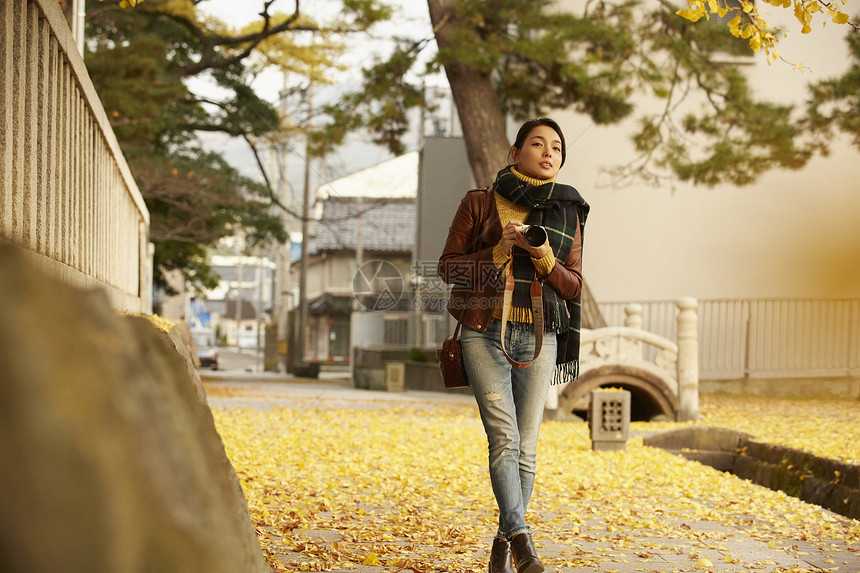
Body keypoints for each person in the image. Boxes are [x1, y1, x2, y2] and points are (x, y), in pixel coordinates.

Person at [438, 118, 589, 573]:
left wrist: (543, 258)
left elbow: (575, 286)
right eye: (538, 144)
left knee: (527, 446)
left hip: (541, 334)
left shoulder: (568, 212)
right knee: (503, 438)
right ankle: (523, 540)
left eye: (557, 148)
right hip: (484, 331)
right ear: (514, 151)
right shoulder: (480, 203)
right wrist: (497, 251)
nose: (548, 153)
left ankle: (503, 544)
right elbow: (447, 269)